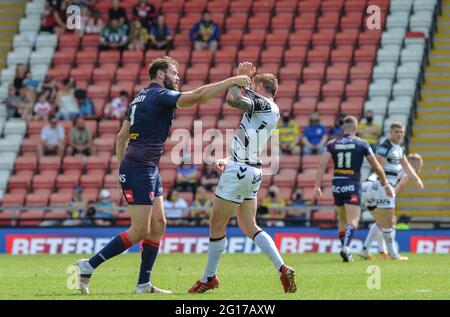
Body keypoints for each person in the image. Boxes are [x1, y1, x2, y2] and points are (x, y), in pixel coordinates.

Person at [74, 56, 251, 295]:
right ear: (160, 74)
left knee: (159, 224)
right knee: (140, 230)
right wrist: (231, 80)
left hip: (143, 167)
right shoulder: (159, 96)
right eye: (174, 72)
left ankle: (143, 284)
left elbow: (120, 137)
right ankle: (87, 266)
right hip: (139, 168)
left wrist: (121, 169)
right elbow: (198, 95)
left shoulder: (140, 98)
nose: (177, 77)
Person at [189, 62, 297, 294]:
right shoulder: (271, 109)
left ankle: (208, 277)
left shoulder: (262, 102)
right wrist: (229, 159)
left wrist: (240, 77)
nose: (249, 87)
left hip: (240, 171)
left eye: (252, 85)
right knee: (249, 226)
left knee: (216, 224)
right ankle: (282, 267)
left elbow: (233, 99)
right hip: (252, 169)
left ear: (259, 86)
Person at [313, 116, 395, 263]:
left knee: (342, 220)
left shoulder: (332, 143)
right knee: (353, 220)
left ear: (343, 128)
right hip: (352, 183)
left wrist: (317, 186)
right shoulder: (362, 143)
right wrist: (386, 184)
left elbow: (322, 165)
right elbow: (376, 166)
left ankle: (345, 247)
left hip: (337, 184)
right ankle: (346, 247)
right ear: (356, 128)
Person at [359, 123, 424, 260]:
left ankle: (368, 250)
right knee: (388, 220)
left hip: (372, 187)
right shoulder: (385, 146)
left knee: (383, 220)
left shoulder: (400, 149)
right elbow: (379, 167)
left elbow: (406, 166)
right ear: (390, 132)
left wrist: (417, 179)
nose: (399, 134)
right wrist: (387, 186)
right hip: (378, 186)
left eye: (401, 132)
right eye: (396, 131)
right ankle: (392, 254)